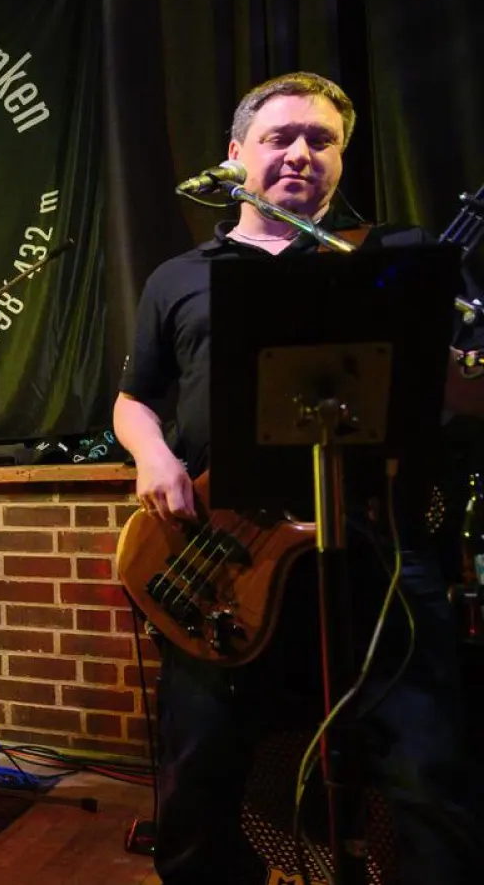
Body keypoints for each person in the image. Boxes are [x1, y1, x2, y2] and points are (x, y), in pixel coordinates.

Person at [115, 72, 474, 883]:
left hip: (378, 552)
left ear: (342, 160)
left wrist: (446, 361)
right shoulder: (180, 276)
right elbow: (135, 399)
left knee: (428, 772)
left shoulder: (398, 258)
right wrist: (154, 455)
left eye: (322, 140)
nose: (301, 154)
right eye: (280, 138)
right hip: (226, 556)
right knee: (200, 772)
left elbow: (463, 393)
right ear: (235, 156)